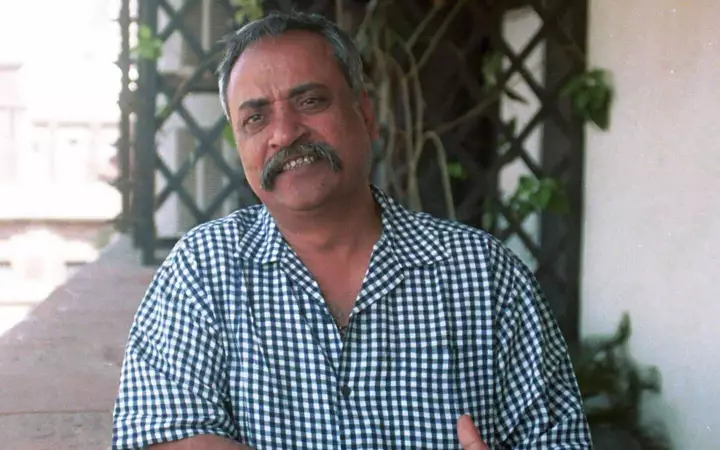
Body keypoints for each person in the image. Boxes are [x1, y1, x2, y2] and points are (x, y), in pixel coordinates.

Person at [111, 10, 592, 450]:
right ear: (239, 145)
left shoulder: (483, 274)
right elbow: (161, 433)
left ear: (365, 114)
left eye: (310, 101)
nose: (285, 133)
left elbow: (560, 439)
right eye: (256, 117)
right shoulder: (204, 268)